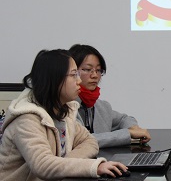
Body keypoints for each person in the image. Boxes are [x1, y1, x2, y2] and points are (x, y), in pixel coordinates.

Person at [0, 49, 128, 180]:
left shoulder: (63, 111)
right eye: (74, 75)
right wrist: (94, 167)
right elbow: (43, 165)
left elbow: (90, 141)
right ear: (55, 79)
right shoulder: (27, 119)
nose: (79, 81)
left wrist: (65, 163)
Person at [69, 44, 151, 148]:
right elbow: (82, 140)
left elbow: (124, 119)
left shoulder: (102, 106)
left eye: (98, 70)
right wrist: (128, 133)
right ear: (72, 72)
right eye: (87, 69)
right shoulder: (65, 107)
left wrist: (134, 128)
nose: (94, 75)